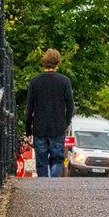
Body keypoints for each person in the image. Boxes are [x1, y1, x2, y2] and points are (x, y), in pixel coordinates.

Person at [25, 48, 74, 178]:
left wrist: (28, 129)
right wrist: (66, 122)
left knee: (41, 161)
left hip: (40, 127)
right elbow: (70, 105)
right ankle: (54, 185)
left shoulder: (35, 81)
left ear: (44, 62)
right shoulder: (64, 81)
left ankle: (43, 185)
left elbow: (30, 107)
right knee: (57, 158)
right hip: (57, 127)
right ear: (58, 62)